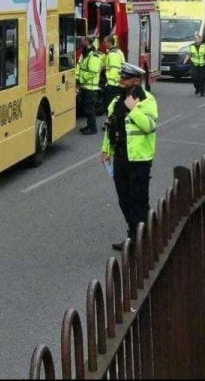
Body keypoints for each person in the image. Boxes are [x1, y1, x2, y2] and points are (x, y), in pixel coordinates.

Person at [99, 62, 158, 250]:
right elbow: (111, 127)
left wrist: (134, 109)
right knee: (124, 199)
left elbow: (149, 126)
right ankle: (133, 235)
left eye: (125, 77)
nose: (121, 79)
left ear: (136, 80)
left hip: (139, 159)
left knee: (139, 201)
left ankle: (143, 240)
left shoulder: (147, 100)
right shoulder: (116, 101)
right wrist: (106, 150)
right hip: (121, 157)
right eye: (121, 76)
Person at [76, 36, 104, 135]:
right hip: (85, 86)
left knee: (90, 109)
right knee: (86, 108)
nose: (81, 42)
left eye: (83, 40)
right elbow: (80, 67)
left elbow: (92, 72)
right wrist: (77, 79)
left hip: (90, 86)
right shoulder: (85, 53)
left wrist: (80, 80)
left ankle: (93, 128)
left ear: (88, 42)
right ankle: (89, 126)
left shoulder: (94, 55)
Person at [182, 32, 205, 97]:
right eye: (195, 38)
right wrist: (184, 62)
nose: (196, 39)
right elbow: (188, 54)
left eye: (197, 38)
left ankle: (202, 92)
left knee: (202, 79)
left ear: (200, 39)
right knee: (194, 78)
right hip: (194, 64)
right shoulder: (191, 46)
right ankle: (197, 88)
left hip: (202, 64)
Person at [102, 35, 125, 109]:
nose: (103, 44)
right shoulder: (117, 51)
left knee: (110, 106)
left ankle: (111, 119)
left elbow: (114, 69)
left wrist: (109, 84)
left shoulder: (113, 54)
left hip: (113, 85)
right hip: (118, 83)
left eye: (104, 42)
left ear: (109, 43)